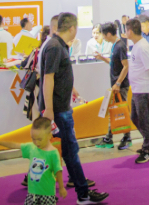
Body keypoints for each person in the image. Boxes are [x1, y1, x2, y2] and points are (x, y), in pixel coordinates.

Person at [40, 13, 108, 203]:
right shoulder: (55, 47)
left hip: (60, 107)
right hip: (58, 109)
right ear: (71, 28)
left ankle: (81, 191)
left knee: (68, 151)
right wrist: (49, 109)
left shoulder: (58, 45)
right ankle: (82, 194)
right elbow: (48, 78)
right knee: (69, 151)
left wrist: (72, 89)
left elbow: (58, 75)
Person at [0, 117, 67, 204]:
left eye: (39, 139)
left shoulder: (53, 153)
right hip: (32, 193)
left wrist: (61, 187)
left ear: (49, 135)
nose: (36, 142)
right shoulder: (31, 147)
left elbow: (58, 170)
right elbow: (15, 145)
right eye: (33, 139)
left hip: (48, 194)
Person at [126, 18, 149, 164]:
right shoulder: (137, 45)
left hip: (144, 89)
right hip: (137, 89)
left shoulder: (143, 47)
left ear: (130, 31)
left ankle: (147, 149)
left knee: (145, 119)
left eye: (126, 30)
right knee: (135, 117)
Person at [95, 22, 132, 151]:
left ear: (109, 34)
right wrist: (102, 58)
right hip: (116, 85)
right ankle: (109, 138)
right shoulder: (115, 46)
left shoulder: (120, 46)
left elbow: (126, 66)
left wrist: (118, 83)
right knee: (116, 111)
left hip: (120, 85)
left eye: (104, 35)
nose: (103, 38)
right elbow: (114, 63)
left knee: (122, 111)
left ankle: (126, 137)